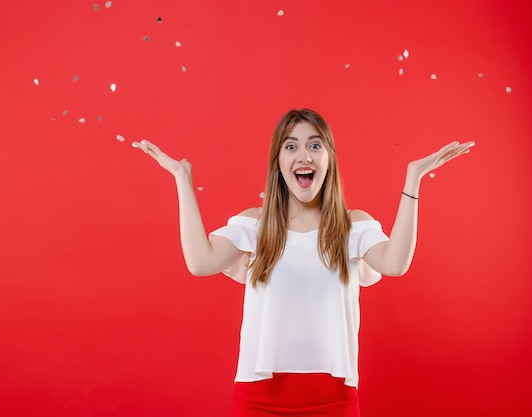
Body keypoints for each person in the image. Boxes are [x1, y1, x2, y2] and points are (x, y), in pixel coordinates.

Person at [132, 109, 474, 416]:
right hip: (257, 399)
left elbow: (395, 263)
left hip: (335, 400)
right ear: (278, 162)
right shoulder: (256, 225)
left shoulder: (352, 225)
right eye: (291, 146)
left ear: (329, 159)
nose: (303, 155)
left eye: (314, 145)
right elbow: (200, 261)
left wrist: (413, 177)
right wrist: (181, 177)